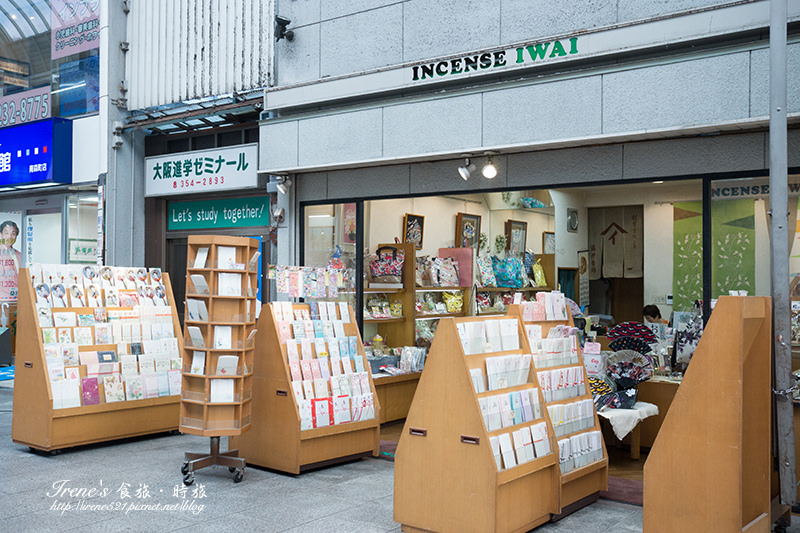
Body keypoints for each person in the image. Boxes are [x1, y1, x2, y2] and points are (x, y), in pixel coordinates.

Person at [0, 220, 22, 301]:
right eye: (6, 233)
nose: (9, 236)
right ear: (1, 234)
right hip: (2, 300)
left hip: (18, 299)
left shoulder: (19, 255)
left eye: (13, 233)